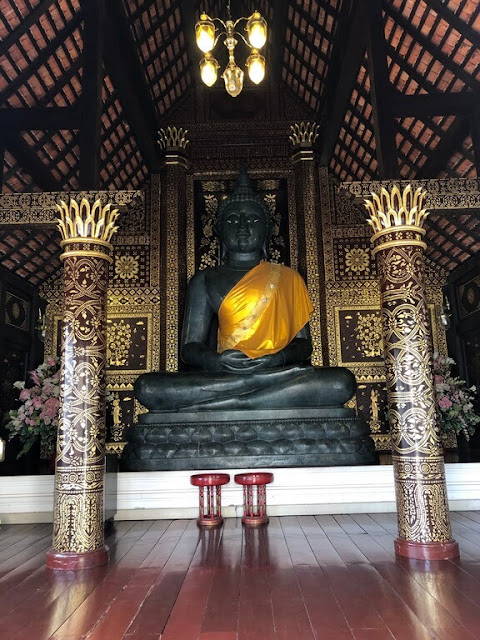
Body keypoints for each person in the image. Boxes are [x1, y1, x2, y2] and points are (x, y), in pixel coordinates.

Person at [135, 167, 355, 412]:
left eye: (252, 219)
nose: (241, 226)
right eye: (232, 220)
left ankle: (239, 401)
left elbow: (303, 345)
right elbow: (189, 348)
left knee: (340, 382)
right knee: (147, 386)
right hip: (227, 375)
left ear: (267, 230)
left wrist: (277, 359)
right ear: (219, 231)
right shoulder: (204, 280)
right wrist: (217, 361)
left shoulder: (288, 278)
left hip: (277, 371)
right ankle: (254, 396)